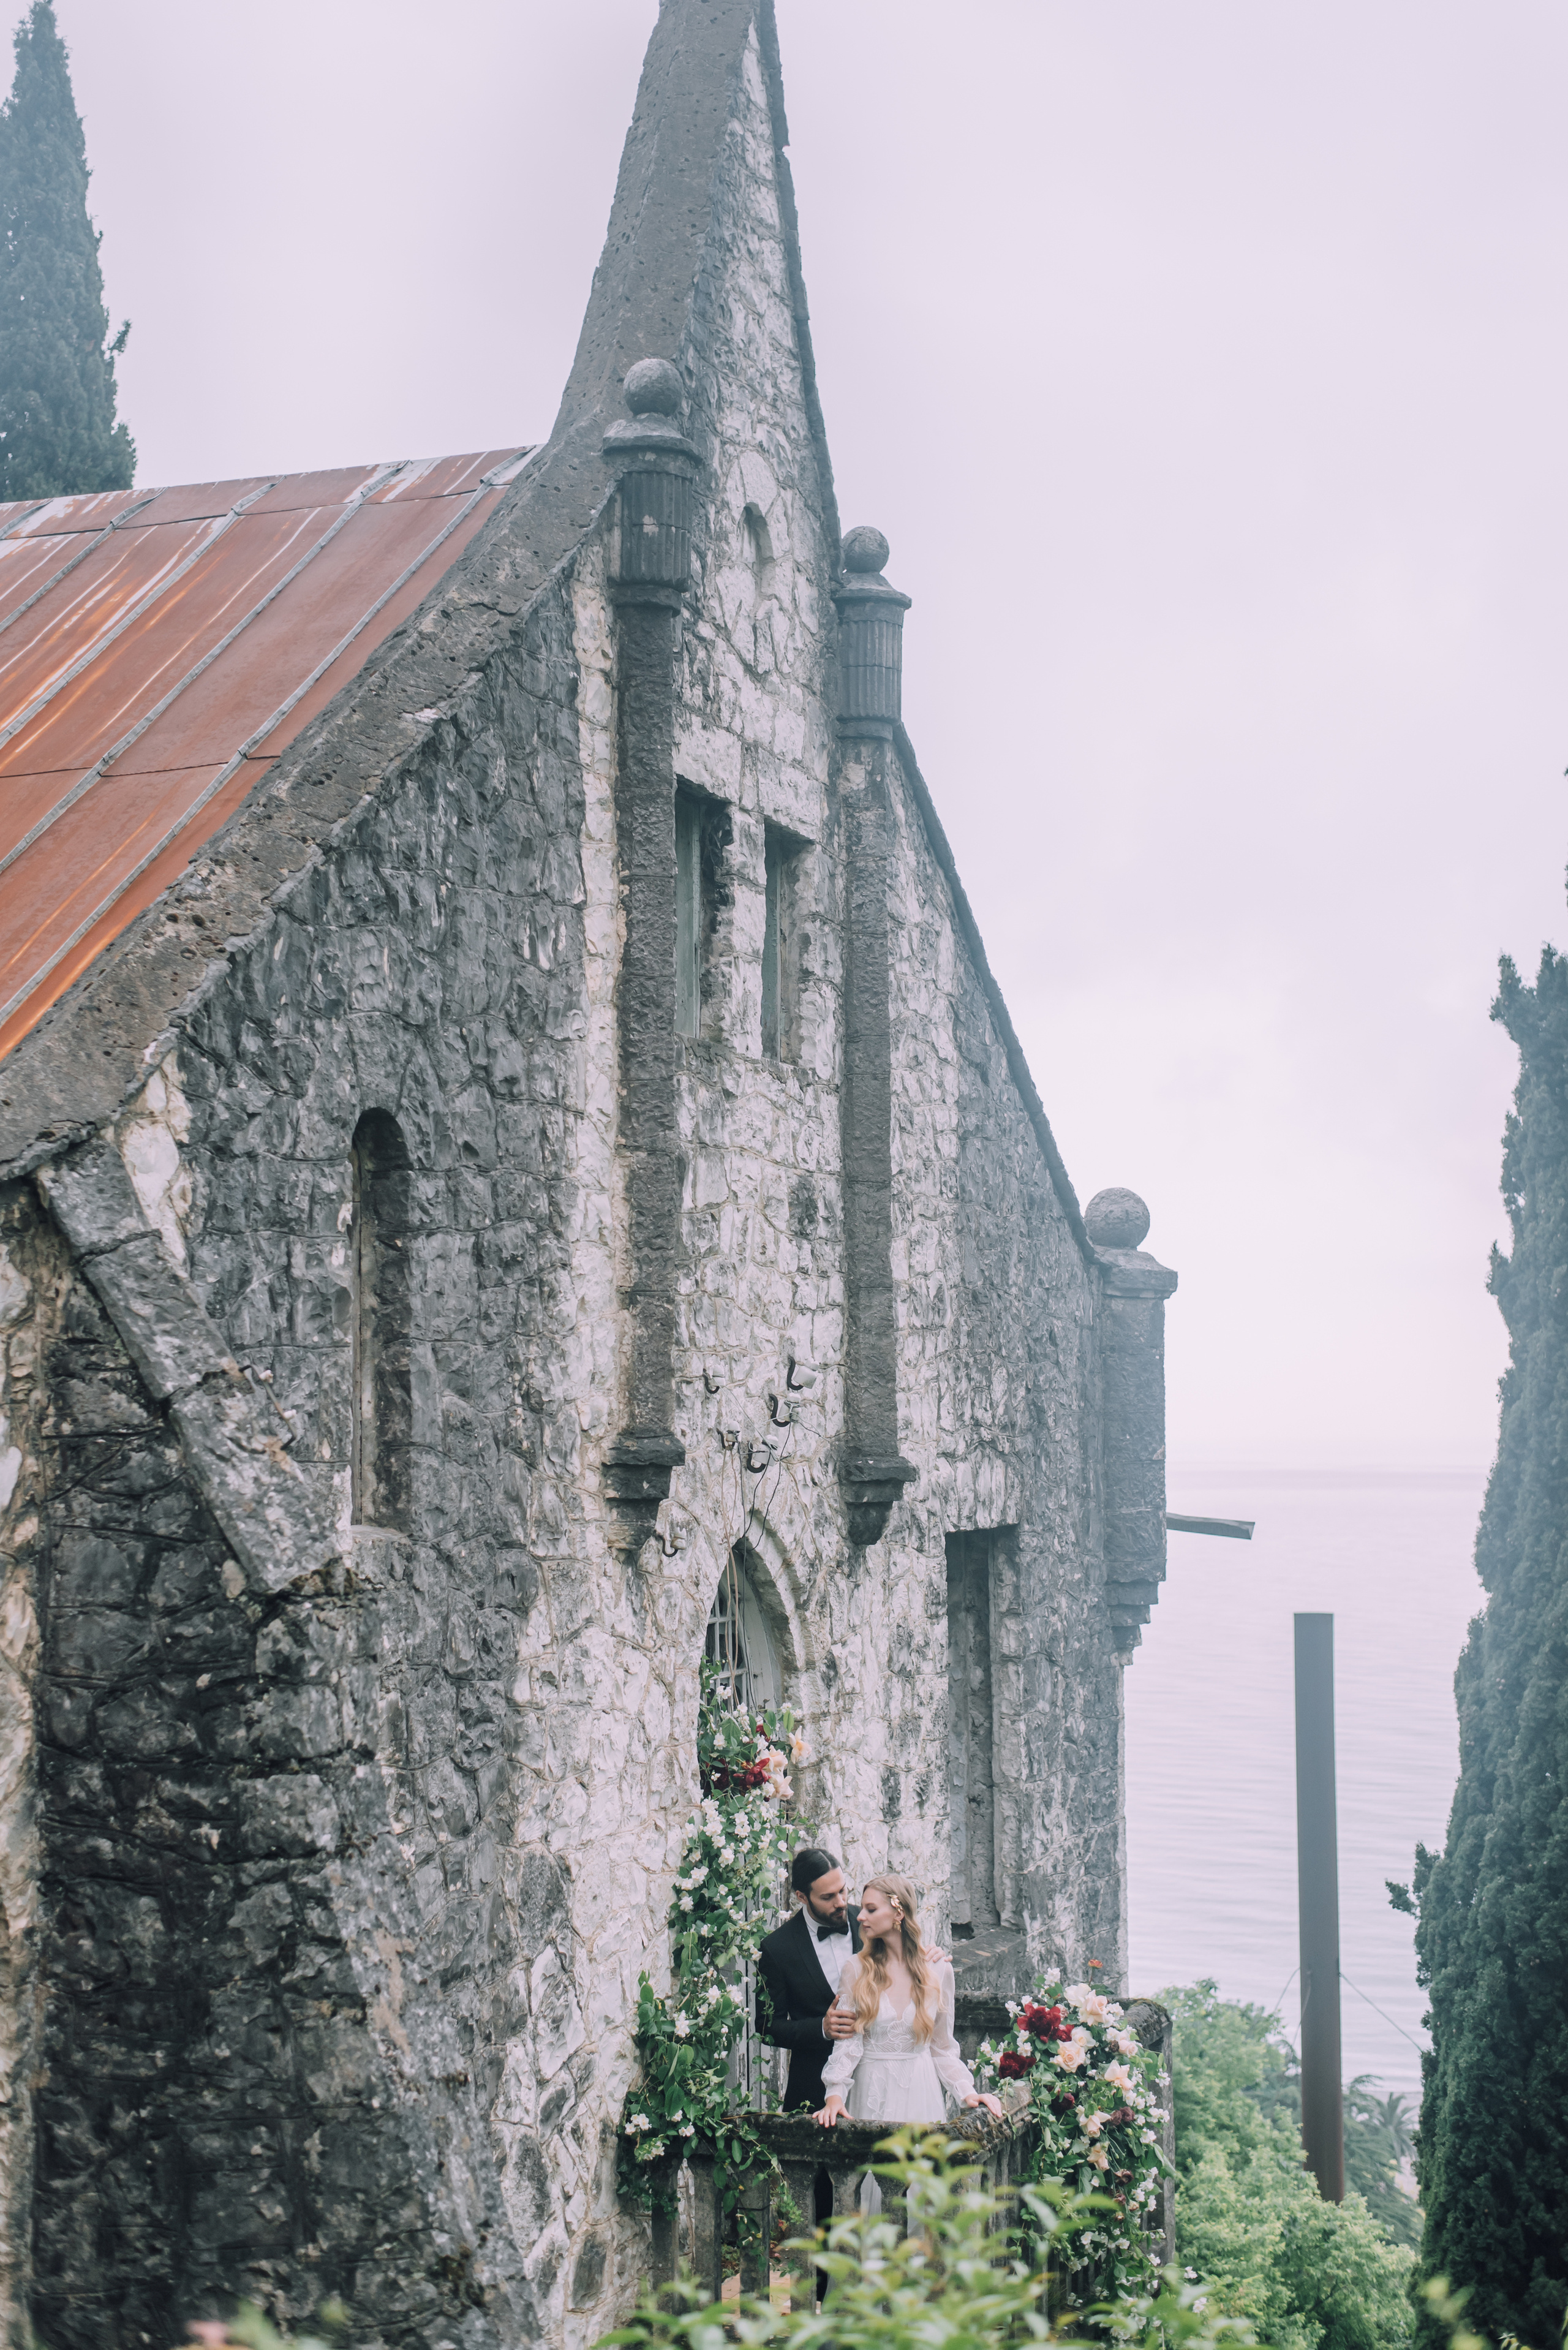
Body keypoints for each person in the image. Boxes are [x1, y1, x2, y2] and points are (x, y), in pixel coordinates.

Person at [813, 1873, 1003, 2128]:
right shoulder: (856, 1968)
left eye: (871, 1909)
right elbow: (848, 2044)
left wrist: (967, 2092)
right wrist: (834, 2096)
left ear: (898, 1913)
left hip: (921, 2091)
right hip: (871, 2090)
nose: (859, 1916)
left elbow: (942, 2046)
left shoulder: (938, 1970)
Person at [756, 1848, 862, 2115]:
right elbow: (768, 2028)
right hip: (814, 2090)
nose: (840, 1902)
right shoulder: (777, 1948)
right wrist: (821, 2028)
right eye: (828, 1897)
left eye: (843, 1891)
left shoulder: (869, 1924)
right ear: (802, 1897)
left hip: (877, 2078)